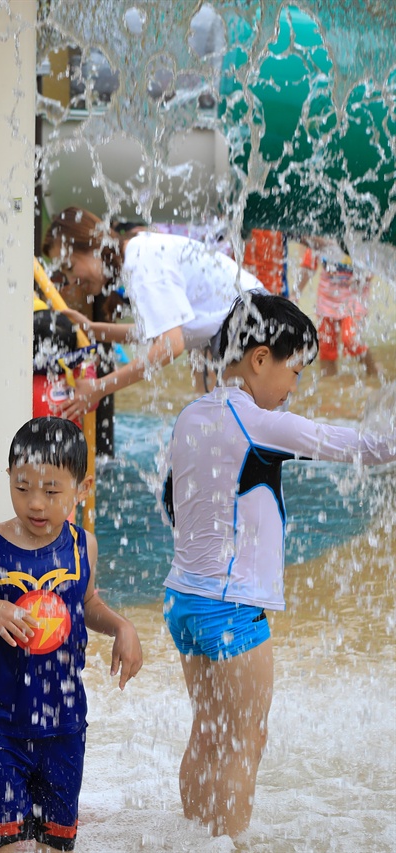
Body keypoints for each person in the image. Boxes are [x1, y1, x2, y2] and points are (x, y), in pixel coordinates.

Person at [160, 291, 396, 837]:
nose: (296, 387)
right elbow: (356, 446)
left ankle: (192, 838)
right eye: (295, 370)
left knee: (208, 731)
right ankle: (229, 845)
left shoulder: (190, 414)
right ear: (260, 358)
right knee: (246, 739)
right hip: (232, 609)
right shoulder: (257, 421)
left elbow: (175, 501)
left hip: (183, 602)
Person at [0, 417, 142, 852]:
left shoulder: (83, 545)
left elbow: (85, 604)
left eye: (51, 491)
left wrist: (121, 626)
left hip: (64, 729)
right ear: (8, 477)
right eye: (22, 486)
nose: (35, 503)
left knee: (54, 846)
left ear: (81, 489)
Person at [44, 206, 263, 417]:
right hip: (257, 325)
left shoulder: (140, 261)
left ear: (92, 245)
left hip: (257, 330)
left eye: (70, 267)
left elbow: (171, 345)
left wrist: (99, 387)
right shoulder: (140, 252)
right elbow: (162, 332)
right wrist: (94, 330)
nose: (72, 281)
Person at [304, 237, 378, 378]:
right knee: (326, 347)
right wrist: (296, 294)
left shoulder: (360, 234)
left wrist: (365, 275)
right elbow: (309, 264)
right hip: (326, 299)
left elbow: (377, 263)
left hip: (355, 299)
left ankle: (373, 372)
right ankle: (329, 387)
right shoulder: (322, 236)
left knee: (351, 340)